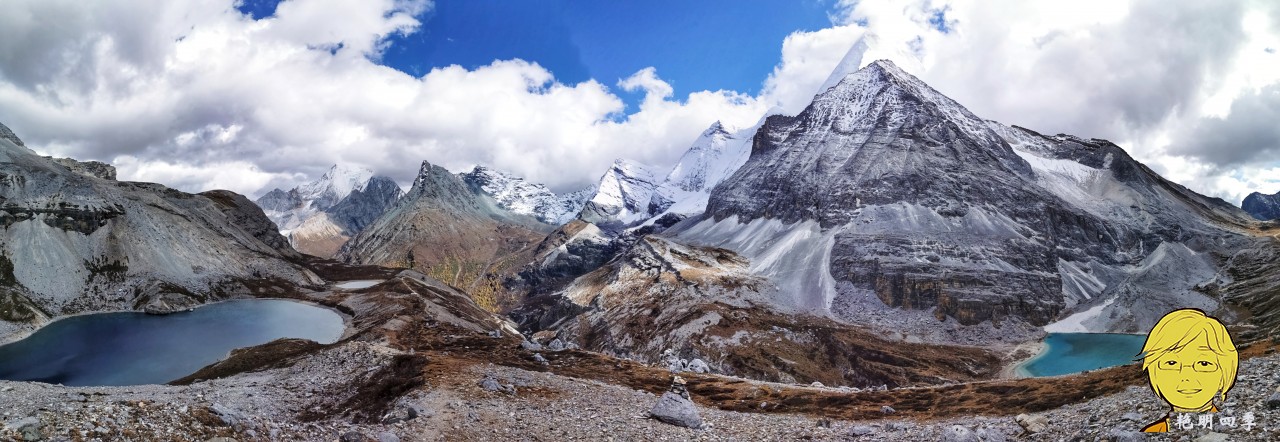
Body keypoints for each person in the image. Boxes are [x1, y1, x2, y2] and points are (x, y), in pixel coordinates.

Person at [1138, 308, 1238, 432]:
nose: (1187, 377)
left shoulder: (1233, 428)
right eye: (1171, 363)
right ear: (1154, 373)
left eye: (1204, 363)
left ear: (1225, 373)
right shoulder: (1152, 431)